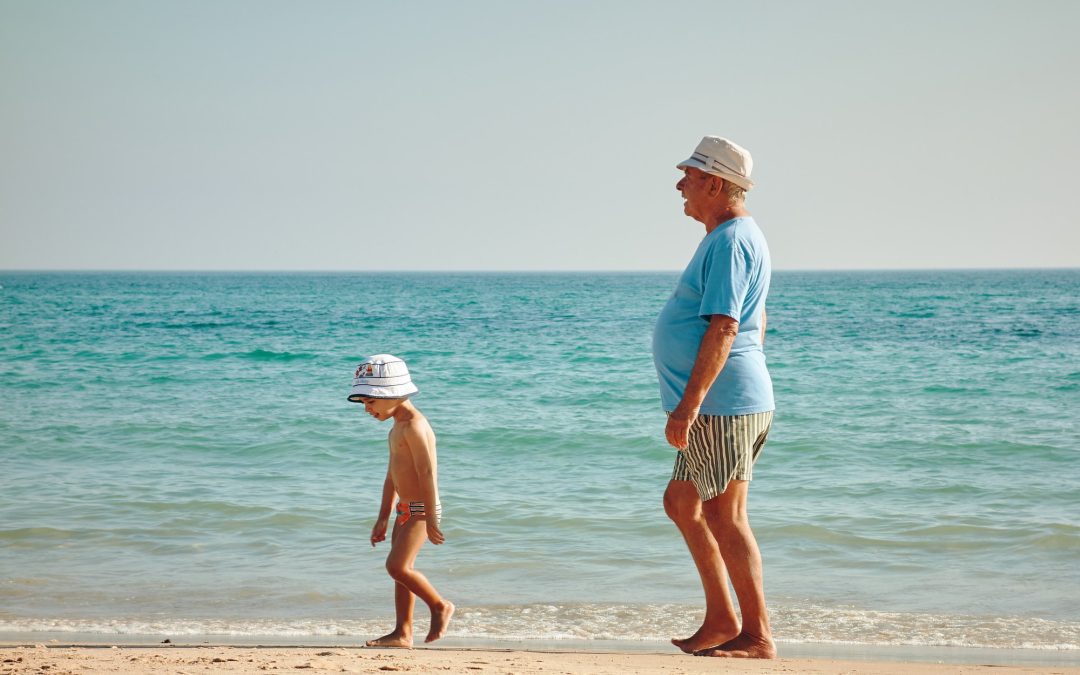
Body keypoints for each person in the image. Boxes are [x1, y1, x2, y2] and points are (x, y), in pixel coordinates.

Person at [652, 136, 776, 659]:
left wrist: (691, 403)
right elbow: (758, 319)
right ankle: (723, 620)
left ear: (715, 182)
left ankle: (757, 635)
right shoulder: (728, 237)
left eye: (689, 173)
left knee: (725, 516)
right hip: (725, 399)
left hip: (722, 405)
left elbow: (725, 326)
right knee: (683, 502)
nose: (680, 183)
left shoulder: (731, 240)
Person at [347, 354, 454, 648]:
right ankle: (402, 632)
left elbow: (427, 473)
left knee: (397, 567)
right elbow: (392, 477)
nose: (366, 409)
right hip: (404, 509)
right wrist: (383, 517)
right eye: (364, 403)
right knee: (401, 574)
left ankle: (439, 605)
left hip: (421, 510)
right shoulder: (396, 427)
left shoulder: (415, 426)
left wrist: (431, 518)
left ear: (391, 394)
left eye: (370, 402)